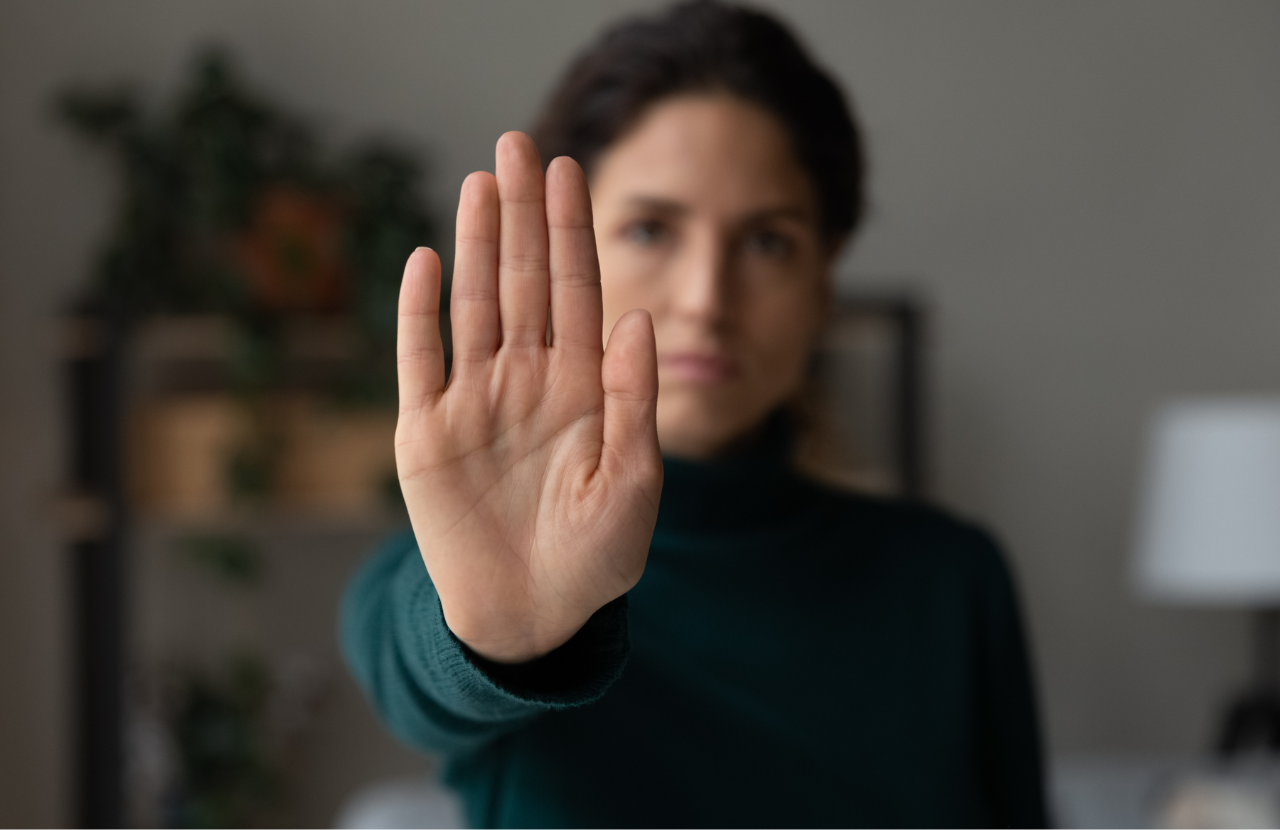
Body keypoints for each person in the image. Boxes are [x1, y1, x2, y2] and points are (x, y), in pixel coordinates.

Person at [341, 2, 1047, 826]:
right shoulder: (461, 568)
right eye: (649, 230)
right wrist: (502, 634)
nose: (706, 299)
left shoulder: (950, 581)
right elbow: (419, 672)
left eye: (767, 242)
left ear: (823, 283)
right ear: (562, 246)